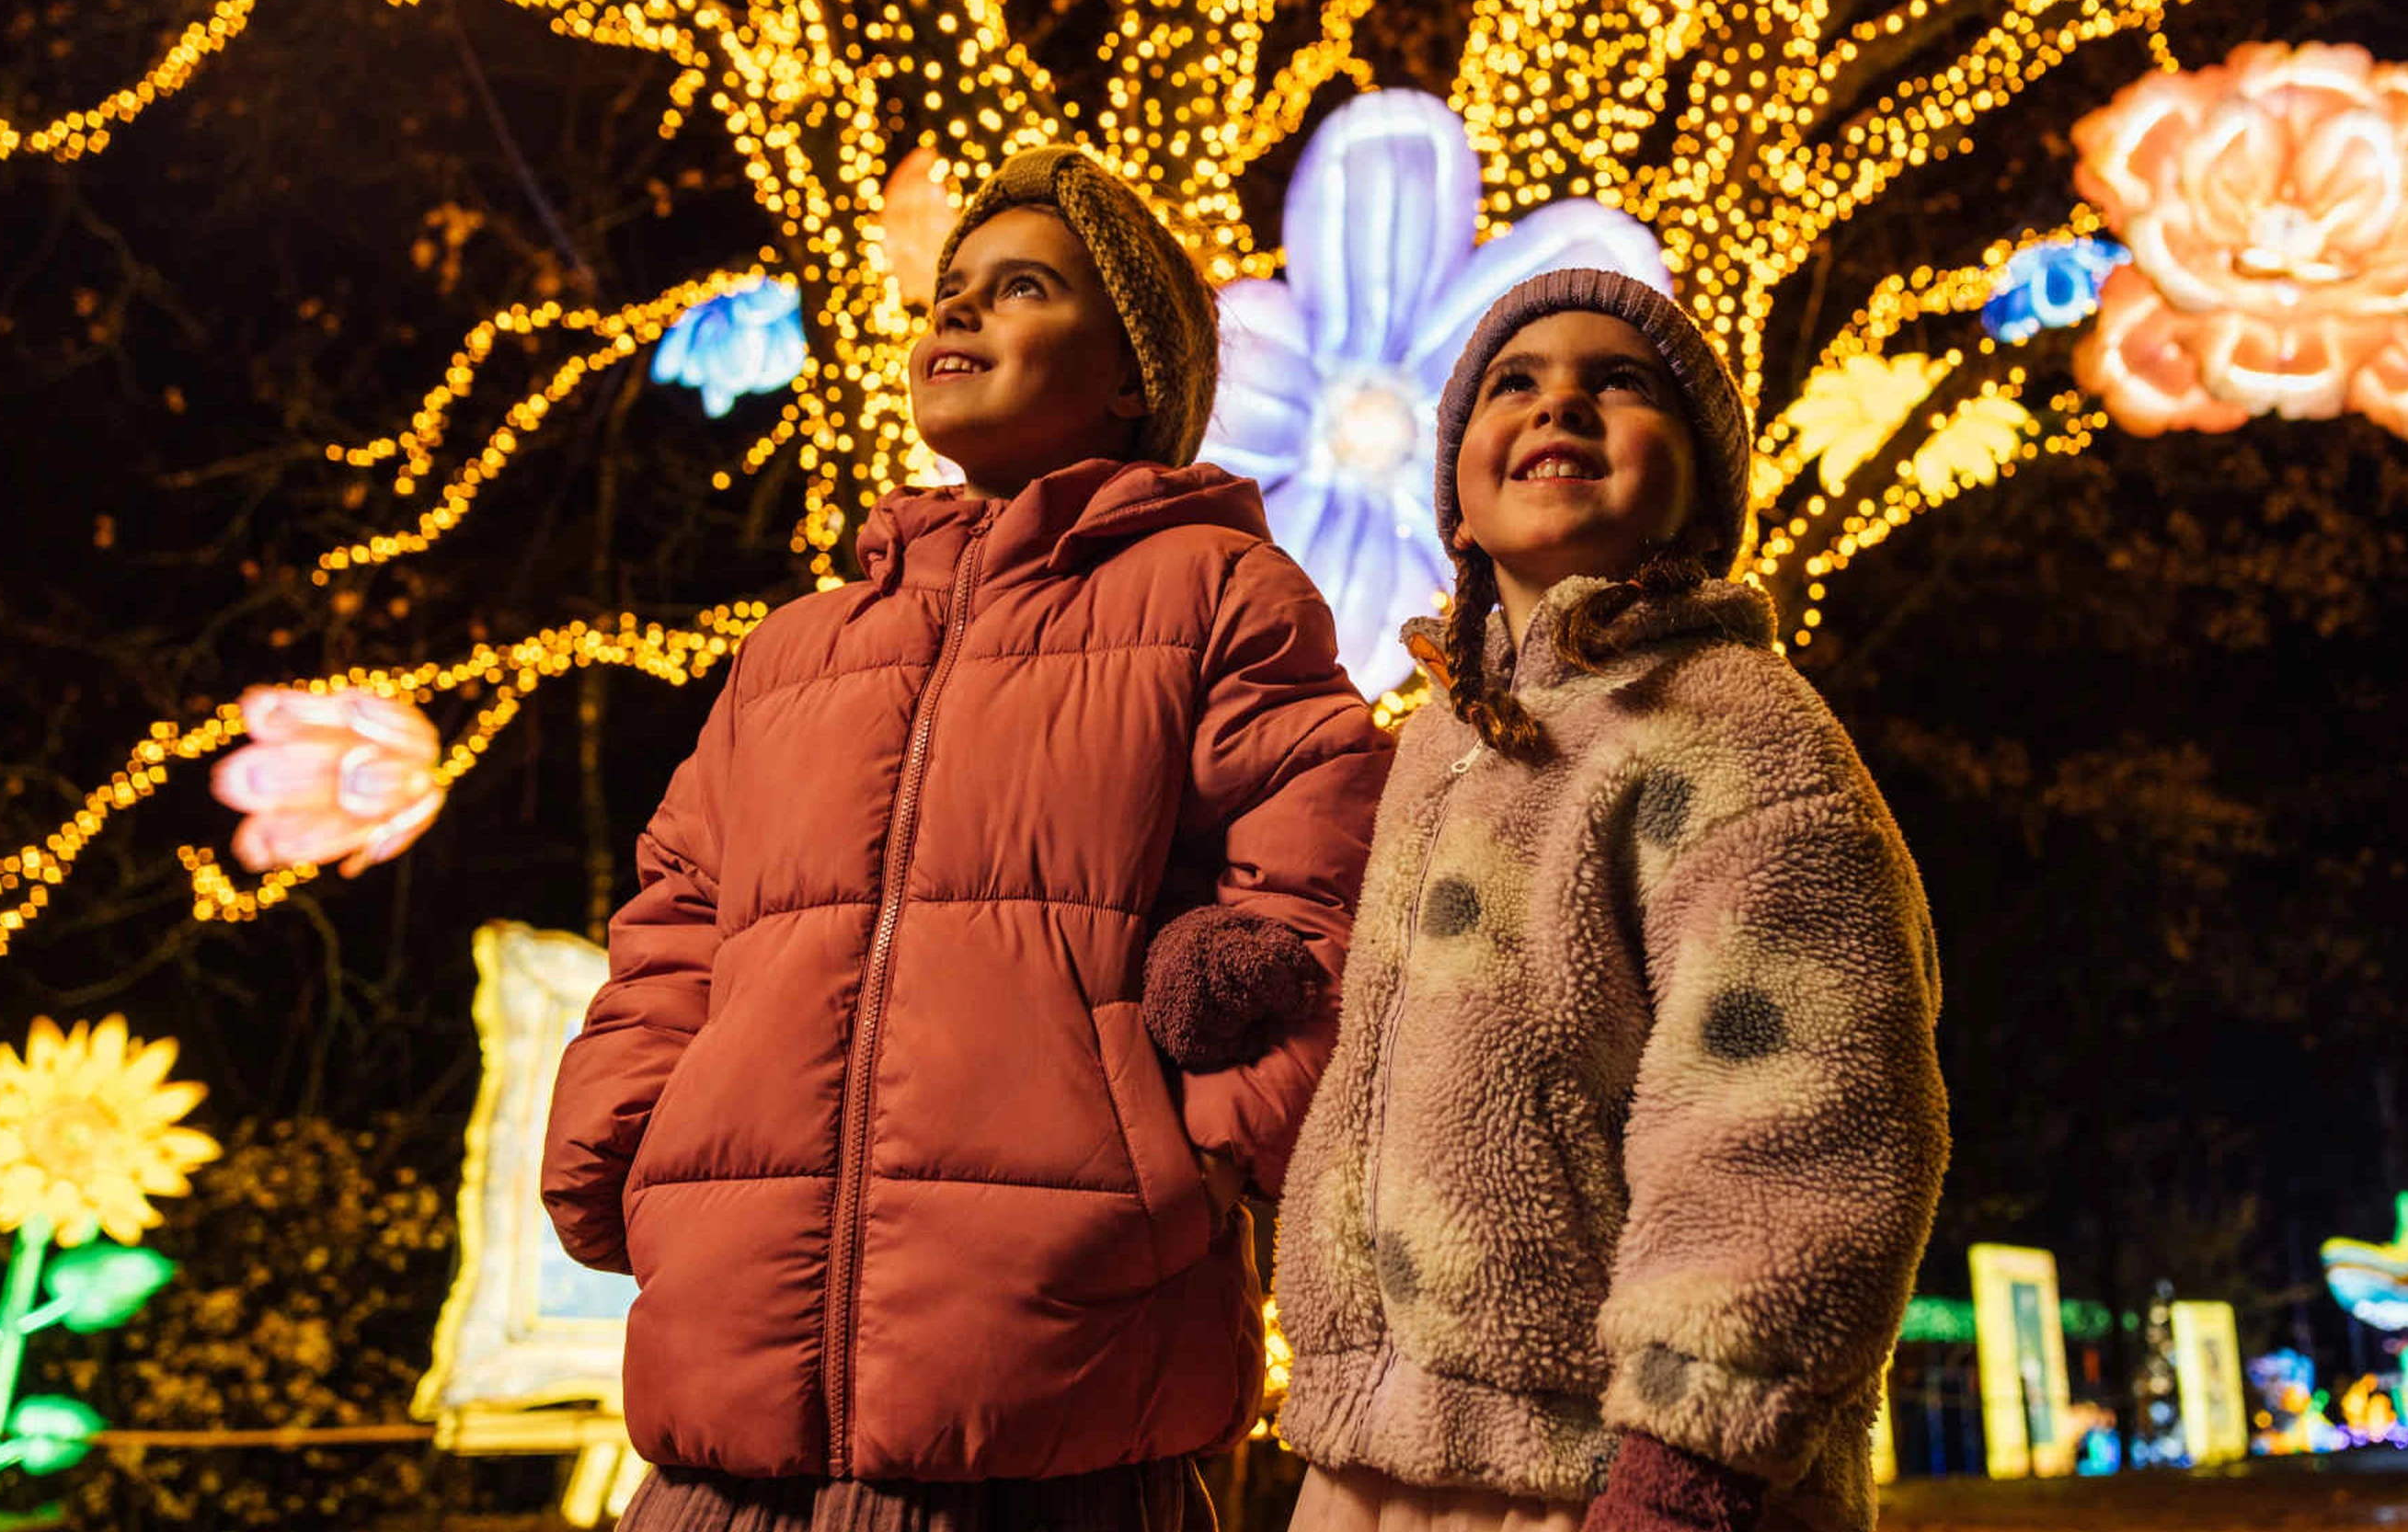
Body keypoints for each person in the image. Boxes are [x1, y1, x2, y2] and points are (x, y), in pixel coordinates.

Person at [544, 145, 1392, 1532]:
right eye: (951, 291)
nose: (961, 315)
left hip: (1049, 1428)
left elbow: (1317, 898)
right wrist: (628, 1141)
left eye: (1024, 288)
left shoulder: (1223, 592)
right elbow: (676, 921)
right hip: (723, 1440)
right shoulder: (799, 648)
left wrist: (1189, 1171)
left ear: (1131, 372)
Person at [1274, 268, 1947, 1532]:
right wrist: (1265, 968)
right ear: (1458, 505)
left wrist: (1696, 1450)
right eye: (1513, 384)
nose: (1559, 405)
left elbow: (1805, 1102)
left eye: (1620, 383)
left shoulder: (1732, 727)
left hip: (1606, 1470)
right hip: (1373, 1456)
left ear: (1700, 493)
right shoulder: (1437, 748)